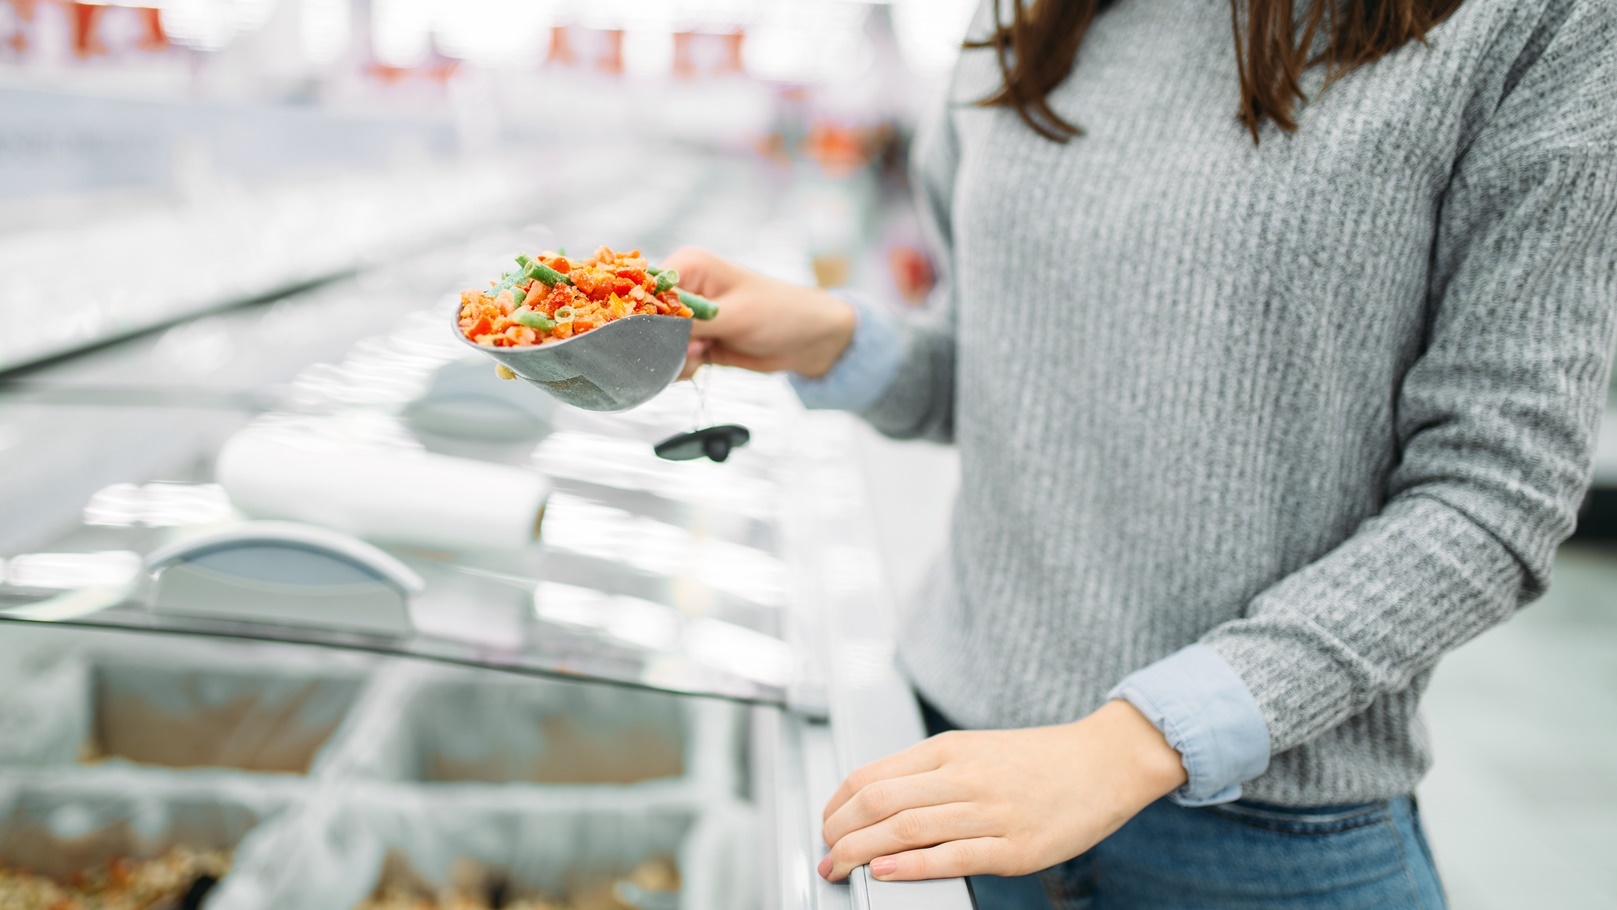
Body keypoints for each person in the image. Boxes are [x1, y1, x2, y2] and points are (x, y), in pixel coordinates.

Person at [666, 0, 1617, 905]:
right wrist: (832, 337)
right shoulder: (1023, 14)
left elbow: (1494, 493)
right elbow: (1013, 375)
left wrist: (1131, 743)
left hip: (1262, 845)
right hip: (950, 767)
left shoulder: (1538, 24)